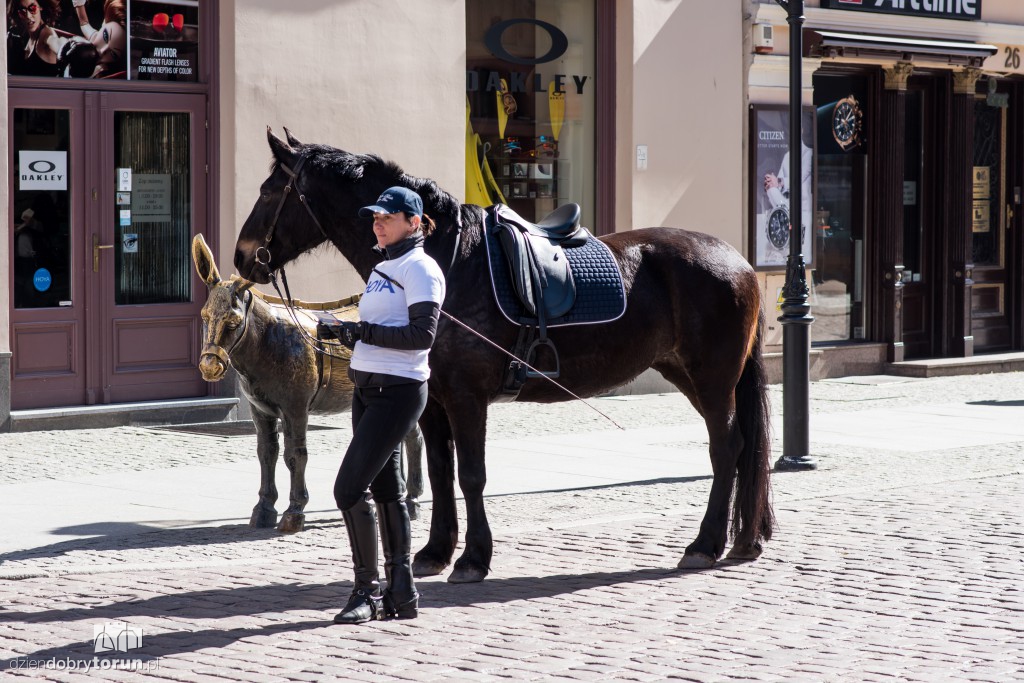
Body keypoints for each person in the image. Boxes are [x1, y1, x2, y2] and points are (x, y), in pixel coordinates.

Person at [318, 186, 446, 625]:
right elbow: (377, 324)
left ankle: (366, 593)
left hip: (399, 390)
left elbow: (422, 337)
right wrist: (343, 331)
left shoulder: (421, 269)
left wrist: (363, 333)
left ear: (413, 221)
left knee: (348, 489)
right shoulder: (383, 266)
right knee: (388, 488)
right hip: (366, 388)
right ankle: (402, 591)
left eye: (386, 218)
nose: (377, 224)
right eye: (374, 217)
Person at [72, 0, 125, 77]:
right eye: (105, 36)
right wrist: (78, 3)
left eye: (113, 54)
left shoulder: (102, 73)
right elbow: (84, 23)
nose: (101, 51)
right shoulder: (94, 38)